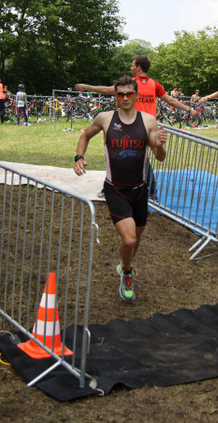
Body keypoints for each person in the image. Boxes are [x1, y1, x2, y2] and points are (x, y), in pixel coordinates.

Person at [74, 75, 168, 301]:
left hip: (140, 190)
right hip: (115, 189)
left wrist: (160, 145)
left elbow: (160, 157)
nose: (125, 98)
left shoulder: (148, 121)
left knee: (136, 239)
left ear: (136, 95)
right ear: (115, 96)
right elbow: (85, 135)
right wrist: (79, 157)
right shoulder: (105, 118)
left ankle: (125, 264)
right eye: (120, 94)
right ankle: (127, 272)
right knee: (129, 240)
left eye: (129, 94)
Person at [76, 56, 196, 198]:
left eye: (132, 65)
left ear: (139, 67)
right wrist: (188, 110)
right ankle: (120, 188)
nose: (131, 68)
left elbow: (108, 90)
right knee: (133, 157)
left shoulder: (131, 84)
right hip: (148, 125)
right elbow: (170, 100)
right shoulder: (154, 84)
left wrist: (86, 87)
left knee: (135, 158)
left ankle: (149, 193)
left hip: (135, 124)